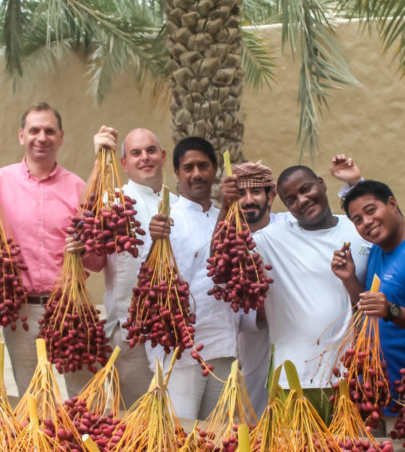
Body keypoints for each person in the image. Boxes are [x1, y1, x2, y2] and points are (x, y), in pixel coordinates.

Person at [0, 102, 89, 396]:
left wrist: (87, 246)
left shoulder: (78, 187)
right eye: (34, 130)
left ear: (61, 137)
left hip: (70, 306)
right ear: (21, 135)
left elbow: (96, 260)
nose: (41, 137)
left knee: (82, 396)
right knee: (33, 399)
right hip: (20, 308)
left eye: (49, 131)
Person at [245, 164, 370, 419]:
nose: (302, 201)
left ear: (322, 184)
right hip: (292, 381)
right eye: (291, 199)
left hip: (351, 378)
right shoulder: (269, 240)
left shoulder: (359, 231)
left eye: (306, 189)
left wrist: (357, 183)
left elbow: (393, 222)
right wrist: (227, 204)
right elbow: (224, 256)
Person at [79, 126, 176, 407]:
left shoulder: (179, 205)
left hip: (174, 329)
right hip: (128, 332)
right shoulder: (112, 203)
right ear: (124, 163)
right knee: (135, 421)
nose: (144, 157)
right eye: (135, 153)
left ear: (163, 156)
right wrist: (99, 161)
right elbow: (87, 246)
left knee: (178, 418)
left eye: (150, 150)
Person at [145, 137, 240, 421]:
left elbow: (223, 264)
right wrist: (154, 239)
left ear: (214, 170)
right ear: (177, 172)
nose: (196, 174)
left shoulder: (230, 216)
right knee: (180, 432)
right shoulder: (165, 217)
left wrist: (227, 205)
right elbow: (150, 278)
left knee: (218, 435)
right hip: (180, 348)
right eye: (188, 167)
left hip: (222, 343)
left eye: (203, 166)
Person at [331, 177, 405, 429]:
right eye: (357, 220)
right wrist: (349, 279)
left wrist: (391, 311)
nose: (366, 222)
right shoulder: (378, 249)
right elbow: (370, 309)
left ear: (392, 204)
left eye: (371, 211)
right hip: (375, 392)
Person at [230, 161, 288, 414]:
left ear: (271, 195)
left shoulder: (290, 226)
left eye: (255, 192)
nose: (248, 200)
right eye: (240, 193)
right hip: (253, 334)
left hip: (295, 328)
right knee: (255, 403)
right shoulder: (227, 238)